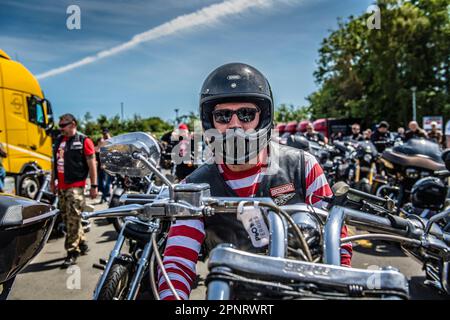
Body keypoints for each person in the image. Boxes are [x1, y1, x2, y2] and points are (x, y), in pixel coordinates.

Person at [157, 63, 352, 300]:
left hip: (304, 290)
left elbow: (337, 234)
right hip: (232, 295)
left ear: (263, 117)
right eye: (223, 115)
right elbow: (178, 261)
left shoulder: (303, 165)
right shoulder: (194, 187)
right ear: (211, 121)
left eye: (247, 114)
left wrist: (340, 287)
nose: (236, 124)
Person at [50, 113, 98, 268]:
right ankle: (82, 242)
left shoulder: (84, 140)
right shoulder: (59, 141)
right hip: (62, 187)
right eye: (60, 125)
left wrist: (94, 186)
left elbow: (92, 165)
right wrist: (52, 181)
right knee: (67, 218)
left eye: (63, 125)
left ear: (73, 124)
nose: (61, 128)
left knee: (72, 218)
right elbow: (55, 163)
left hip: (76, 186)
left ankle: (72, 251)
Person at [96, 128, 112, 204]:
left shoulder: (111, 141)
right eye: (103, 133)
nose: (104, 135)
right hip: (102, 166)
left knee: (107, 183)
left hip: (108, 166)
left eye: (105, 133)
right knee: (102, 184)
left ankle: (105, 197)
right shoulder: (103, 141)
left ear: (108, 133)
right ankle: (105, 196)